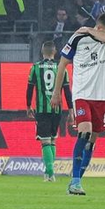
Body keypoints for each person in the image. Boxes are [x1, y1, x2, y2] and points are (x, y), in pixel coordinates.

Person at [51, 12, 105, 197]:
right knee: (85, 131)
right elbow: (62, 64)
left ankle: (76, 180)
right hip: (82, 93)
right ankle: (75, 181)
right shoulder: (78, 38)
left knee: (92, 140)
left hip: (102, 96)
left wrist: (89, 29)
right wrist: (56, 93)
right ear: (101, 28)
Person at [27, 39, 71, 182]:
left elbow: (30, 89)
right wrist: (71, 110)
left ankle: (50, 172)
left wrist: (28, 106)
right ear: (55, 52)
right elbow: (67, 91)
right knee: (52, 140)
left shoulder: (35, 67)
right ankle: (49, 172)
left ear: (42, 52)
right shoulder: (61, 68)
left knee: (45, 141)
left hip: (42, 109)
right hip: (57, 110)